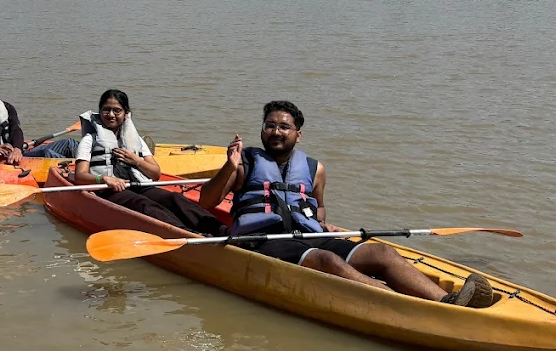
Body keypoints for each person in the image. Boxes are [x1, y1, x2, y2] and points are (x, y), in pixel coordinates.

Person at [198, 101, 493, 307]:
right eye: (270, 125)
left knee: (383, 253)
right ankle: (397, 300)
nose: (276, 131)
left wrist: (321, 222)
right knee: (327, 261)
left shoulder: (315, 169)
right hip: (260, 240)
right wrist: (229, 165)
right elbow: (207, 201)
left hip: (307, 235)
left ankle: (447, 301)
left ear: (298, 135)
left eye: (284, 127)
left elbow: (319, 206)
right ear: (262, 131)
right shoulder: (244, 162)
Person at [74, 89, 224, 234]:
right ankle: (188, 234)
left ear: (126, 113)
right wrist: (104, 178)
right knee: (143, 205)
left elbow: (155, 174)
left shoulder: (137, 141)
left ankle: (222, 230)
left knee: (173, 198)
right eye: (106, 110)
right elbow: (80, 176)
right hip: (110, 191)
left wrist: (137, 161)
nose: (111, 115)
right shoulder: (90, 140)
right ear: (99, 112)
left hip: (139, 185)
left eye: (117, 110)